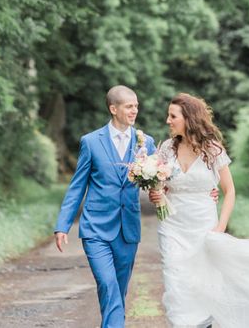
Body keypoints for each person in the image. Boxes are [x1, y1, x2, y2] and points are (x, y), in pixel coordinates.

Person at [149, 93, 249, 328]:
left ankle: (204, 324)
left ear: (189, 118)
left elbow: (229, 191)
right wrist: (156, 194)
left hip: (204, 224)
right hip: (172, 225)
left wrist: (220, 227)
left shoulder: (213, 150)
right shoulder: (166, 150)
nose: (168, 121)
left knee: (204, 281)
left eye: (173, 116)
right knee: (176, 279)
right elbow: (160, 186)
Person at [53, 85, 156, 328]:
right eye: (129, 106)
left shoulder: (145, 142)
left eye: (136, 106)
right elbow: (77, 186)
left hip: (128, 230)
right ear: (113, 109)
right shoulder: (91, 142)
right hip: (96, 230)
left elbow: (160, 180)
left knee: (117, 292)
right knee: (108, 284)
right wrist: (63, 225)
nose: (135, 111)